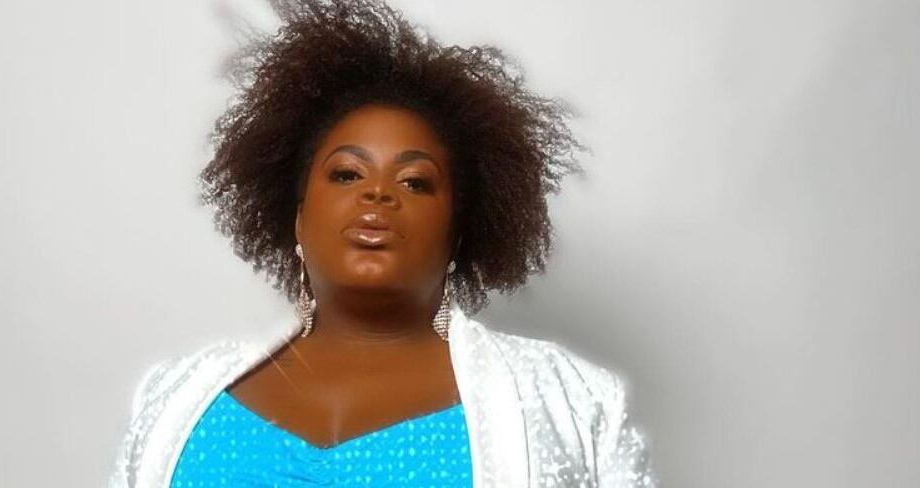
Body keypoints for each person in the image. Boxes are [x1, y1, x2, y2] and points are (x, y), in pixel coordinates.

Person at [109, 0, 657, 486]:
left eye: (415, 182)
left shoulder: (569, 400)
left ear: (457, 234)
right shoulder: (176, 396)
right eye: (347, 174)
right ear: (297, 219)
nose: (377, 193)